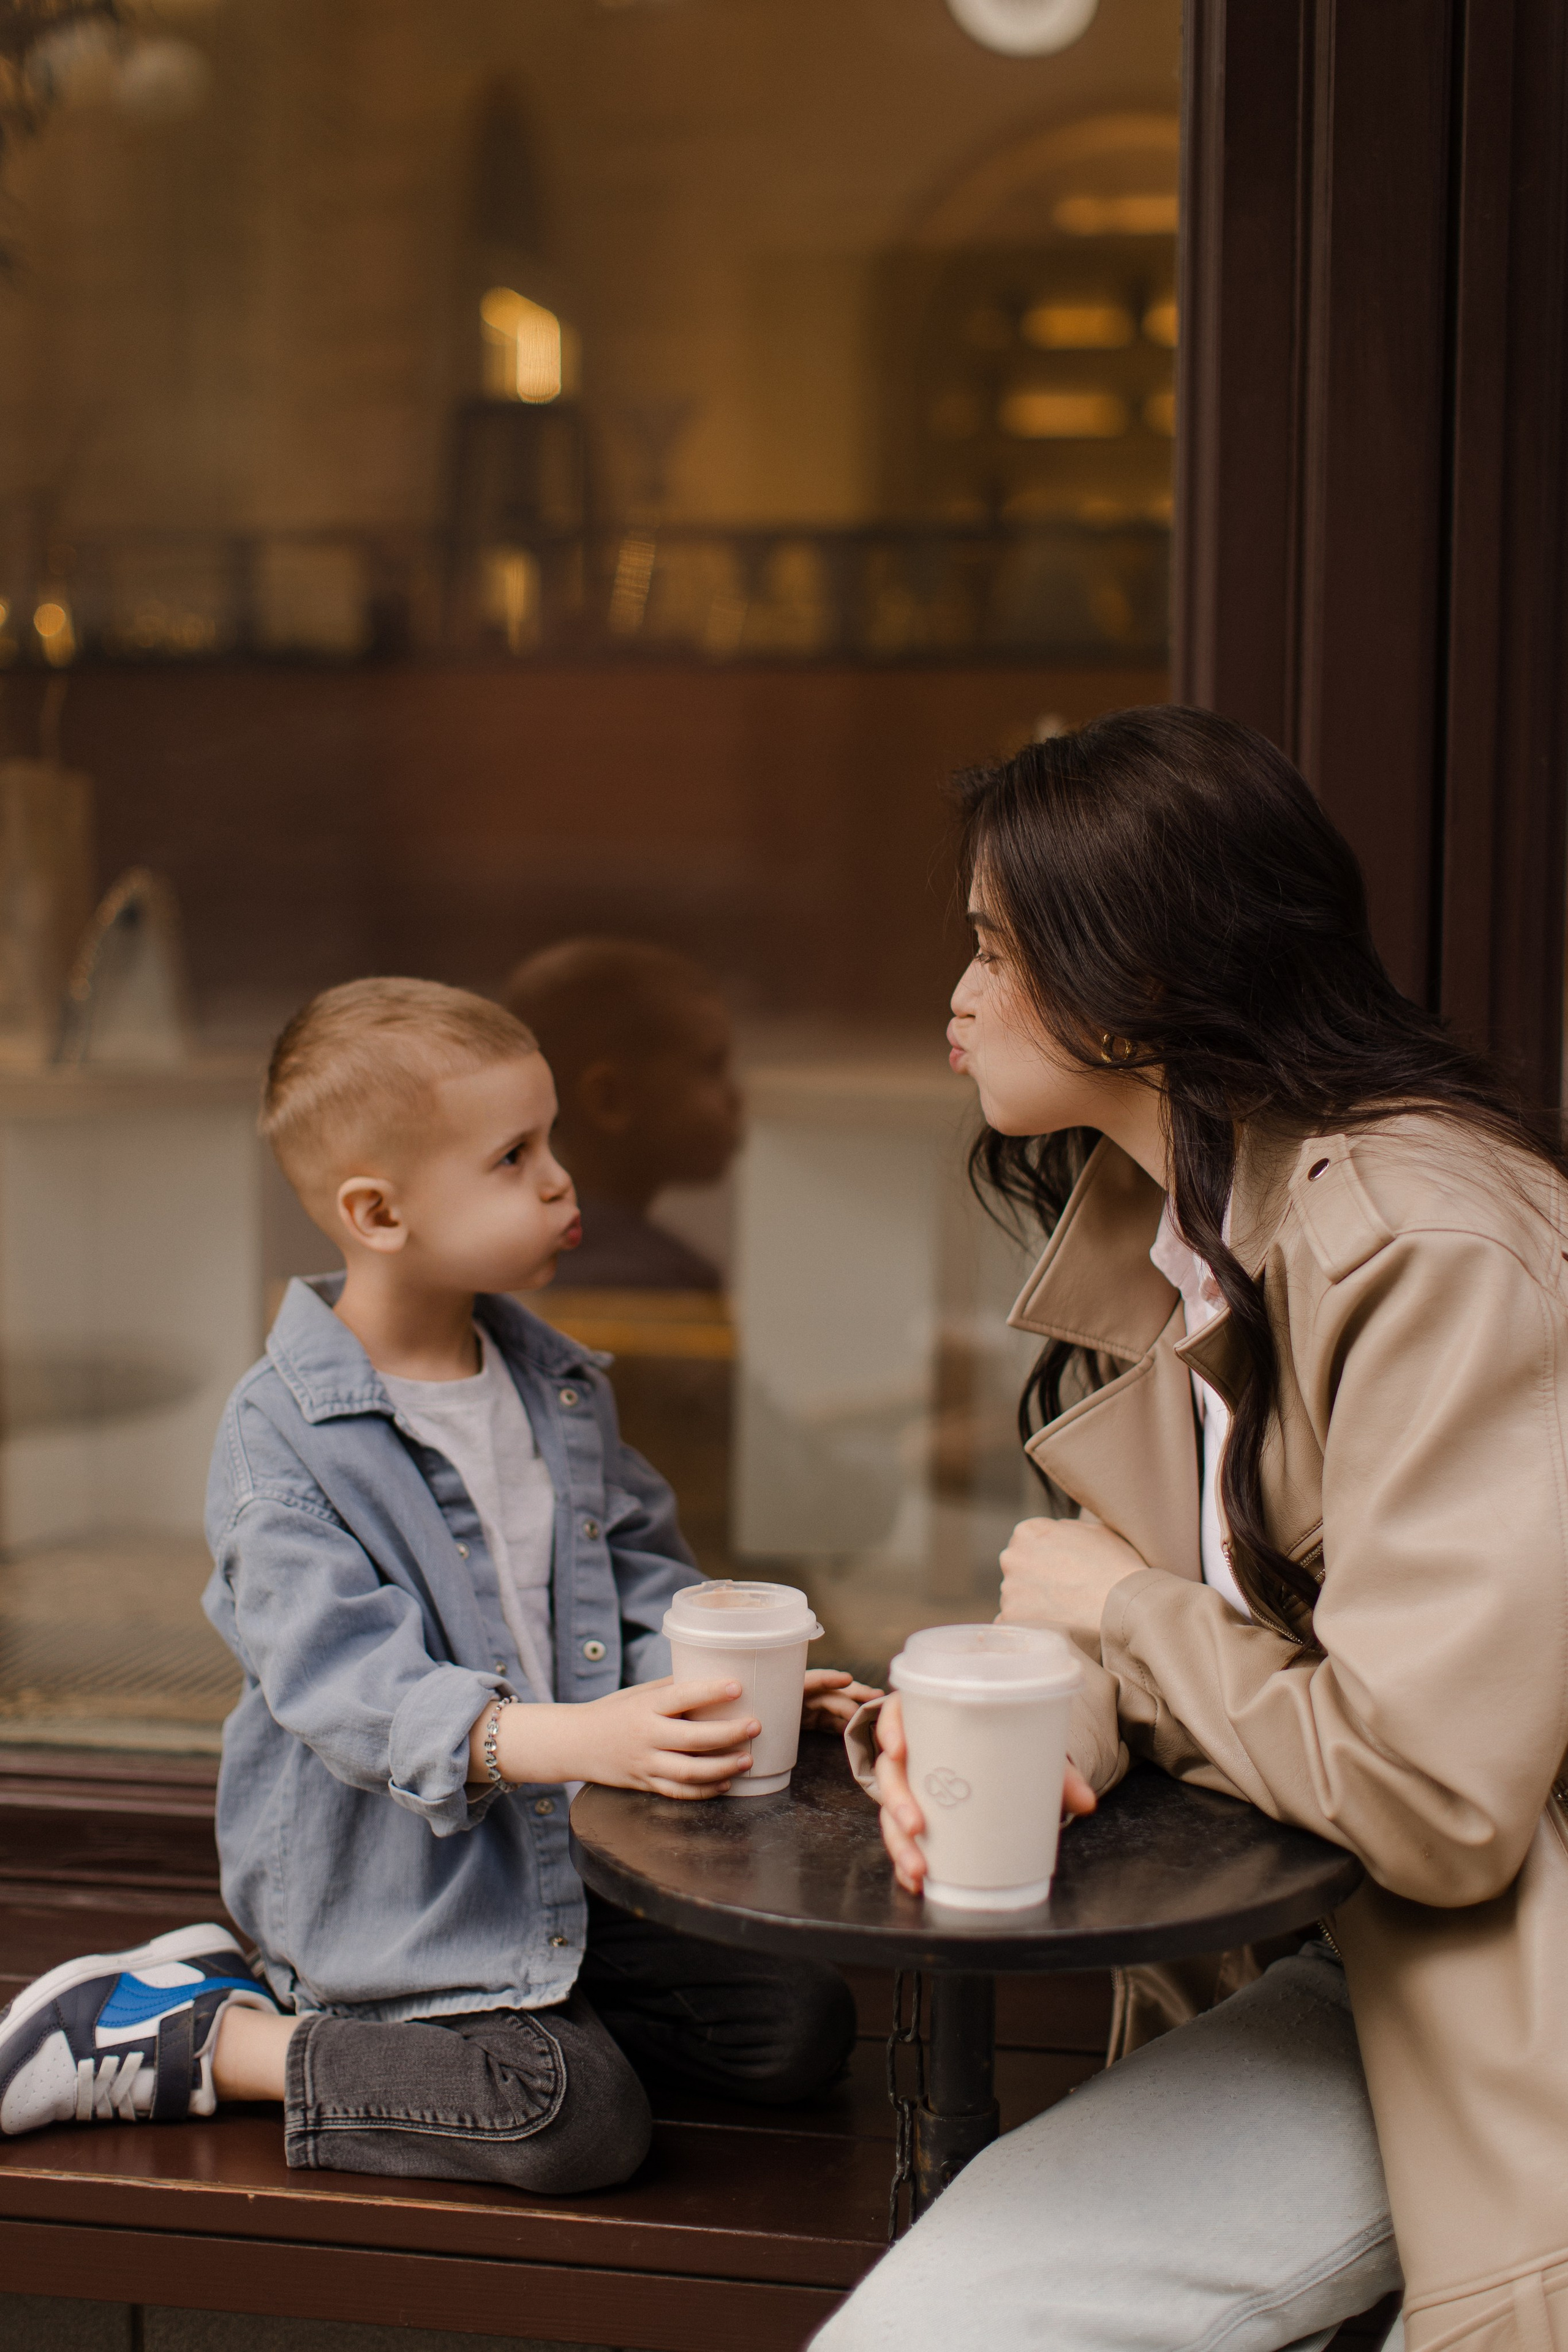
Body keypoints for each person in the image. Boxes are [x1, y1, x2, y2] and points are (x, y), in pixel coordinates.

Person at [816, 707, 1568, 2352]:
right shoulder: (1170, 1234)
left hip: (1500, 1994)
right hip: (1334, 1961)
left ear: (1145, 974)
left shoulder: (1428, 1242)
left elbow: (1441, 1799)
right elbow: (1146, 1617)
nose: (956, 1000)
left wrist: (1123, 1617)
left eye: (995, 951)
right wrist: (1026, 1718)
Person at [0, 978, 870, 2183]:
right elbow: (347, 1687)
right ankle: (195, 2034)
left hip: (550, 1868)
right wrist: (583, 1740)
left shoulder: (551, 1384)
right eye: (513, 1157)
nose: (561, 1180)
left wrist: (722, 1684)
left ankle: (517, 2012)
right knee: (569, 2119)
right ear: (378, 1212)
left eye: (550, 1139)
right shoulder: (283, 1438)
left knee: (798, 2027)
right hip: (392, 1898)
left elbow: (628, 1575)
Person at [504, 938, 740, 1289]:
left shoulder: (508, 1245)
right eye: (710, 1068)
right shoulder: (655, 1280)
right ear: (609, 1100)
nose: (736, 1097)